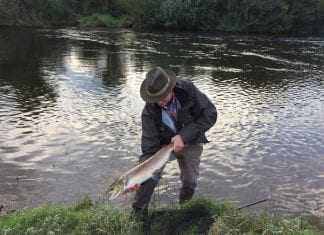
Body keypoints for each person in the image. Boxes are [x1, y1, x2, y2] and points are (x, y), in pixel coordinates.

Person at [130, 67, 217, 215]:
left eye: (163, 97)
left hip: (192, 140)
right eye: (156, 99)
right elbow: (149, 151)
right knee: (148, 177)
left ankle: (183, 209)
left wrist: (183, 136)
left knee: (190, 181)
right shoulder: (149, 112)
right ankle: (138, 213)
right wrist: (138, 179)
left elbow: (210, 114)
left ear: (171, 87)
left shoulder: (187, 89)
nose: (161, 102)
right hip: (163, 147)